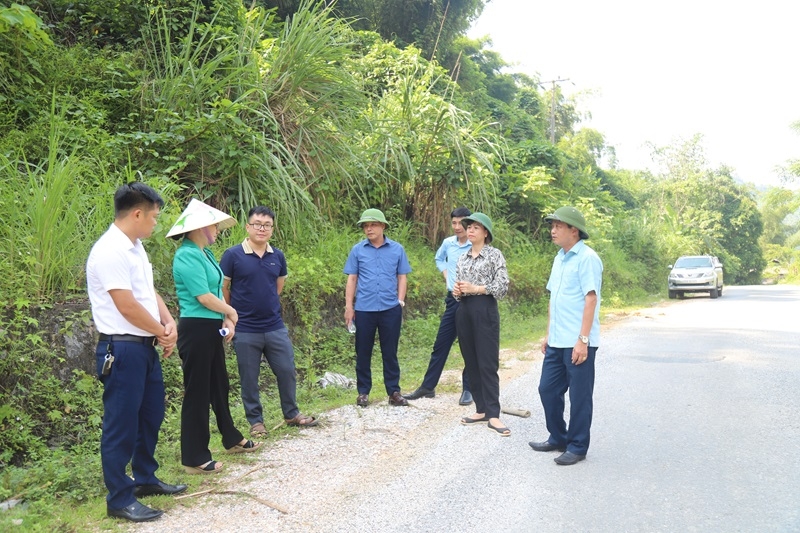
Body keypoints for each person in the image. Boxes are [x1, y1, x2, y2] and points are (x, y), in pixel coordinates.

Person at [87, 182, 186, 523]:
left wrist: (168, 321)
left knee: (151, 416)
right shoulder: (110, 250)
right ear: (138, 213)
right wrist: (161, 332)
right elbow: (126, 306)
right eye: (155, 217)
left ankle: (145, 479)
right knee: (121, 424)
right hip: (122, 347)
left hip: (145, 348)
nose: (156, 223)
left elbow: (146, 292)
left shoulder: (135, 246)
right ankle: (119, 498)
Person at [168, 199, 262, 476]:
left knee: (219, 386)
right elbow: (203, 297)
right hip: (195, 328)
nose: (218, 229)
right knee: (197, 392)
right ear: (200, 227)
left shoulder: (205, 253)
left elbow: (217, 290)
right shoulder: (186, 254)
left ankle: (231, 437)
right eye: (214, 225)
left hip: (211, 326)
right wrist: (232, 311)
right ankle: (193, 456)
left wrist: (225, 318)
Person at [220, 206, 318, 438]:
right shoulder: (232, 255)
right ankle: (256, 422)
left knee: (286, 370)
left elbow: (278, 287)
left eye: (266, 225)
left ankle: (291, 413)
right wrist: (230, 314)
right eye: (257, 224)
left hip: (274, 325)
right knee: (249, 377)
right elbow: (223, 288)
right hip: (245, 328)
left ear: (272, 229)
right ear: (248, 226)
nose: (261, 229)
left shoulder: (278, 256)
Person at [529, 206, 603, 466]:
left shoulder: (588, 258)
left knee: (580, 396)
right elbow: (554, 297)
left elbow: (590, 299)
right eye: (552, 226)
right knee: (547, 389)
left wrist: (583, 340)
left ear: (574, 230)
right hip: (557, 340)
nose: (553, 230)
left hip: (578, 341)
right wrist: (548, 333)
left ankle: (578, 446)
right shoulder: (560, 257)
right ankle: (558, 437)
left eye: (558, 226)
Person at [404, 207, 473, 405]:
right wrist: (446, 275)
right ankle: (428, 386)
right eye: (454, 223)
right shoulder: (448, 243)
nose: (458, 227)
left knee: (468, 346)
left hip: (471, 301)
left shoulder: (475, 244)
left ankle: (468, 388)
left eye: (462, 223)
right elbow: (438, 258)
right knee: (440, 344)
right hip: (453, 300)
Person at [344, 208, 412, 408]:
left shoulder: (397, 249)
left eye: (373, 224)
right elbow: (352, 279)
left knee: (390, 351)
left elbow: (402, 276)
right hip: (364, 309)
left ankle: (394, 392)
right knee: (363, 351)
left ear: (383, 226)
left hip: (390, 308)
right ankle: (363, 392)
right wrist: (349, 307)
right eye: (365, 225)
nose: (368, 229)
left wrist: (400, 301)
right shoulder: (358, 250)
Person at [453, 213, 510, 436]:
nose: (470, 231)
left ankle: (493, 414)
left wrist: (476, 289)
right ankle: (480, 409)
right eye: (469, 227)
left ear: (485, 233)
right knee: (471, 360)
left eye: (476, 227)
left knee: (487, 361)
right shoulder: (462, 257)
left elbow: (503, 286)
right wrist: (458, 291)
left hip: (485, 309)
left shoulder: (495, 255)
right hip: (464, 310)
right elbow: (458, 287)